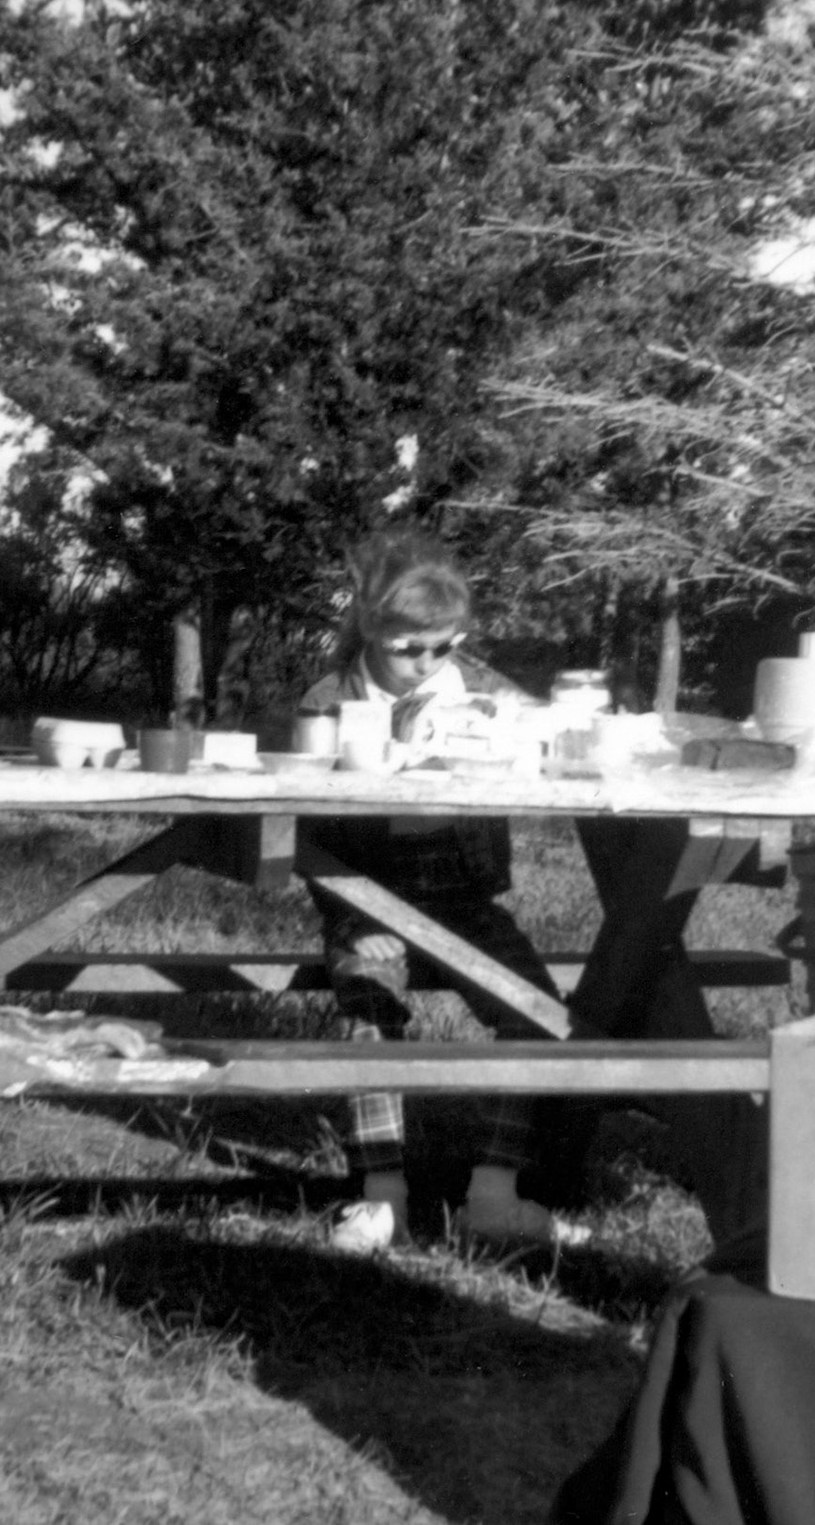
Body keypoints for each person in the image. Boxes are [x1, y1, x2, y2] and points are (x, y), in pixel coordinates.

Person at [295, 527, 568, 1252]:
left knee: (535, 1011)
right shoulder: (329, 703)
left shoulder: (479, 689)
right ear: (369, 629)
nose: (426, 663)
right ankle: (383, 1195)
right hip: (365, 893)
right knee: (370, 1005)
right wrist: (352, 909)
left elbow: (543, 737)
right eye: (407, 647)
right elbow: (300, 828)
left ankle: (494, 1194)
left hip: (459, 896)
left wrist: (536, 734)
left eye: (442, 646)